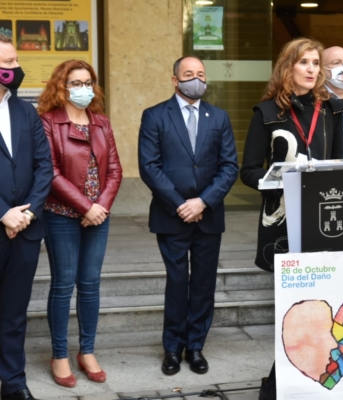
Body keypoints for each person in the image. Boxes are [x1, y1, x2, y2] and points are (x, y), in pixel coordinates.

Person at [240, 37, 343, 400]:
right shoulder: (266, 112)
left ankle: (286, 384)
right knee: (295, 309)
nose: (311, 69)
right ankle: (282, 384)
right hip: (282, 225)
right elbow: (248, 171)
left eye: (316, 63)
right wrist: (281, 177)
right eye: (304, 62)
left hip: (325, 222)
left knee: (318, 306)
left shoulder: (331, 110)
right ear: (288, 67)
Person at [138, 56, 238, 376]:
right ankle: (172, 347)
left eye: (201, 74)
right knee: (178, 282)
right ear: (175, 79)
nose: (196, 79)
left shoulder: (218, 117)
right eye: (189, 74)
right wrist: (182, 204)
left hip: (208, 216)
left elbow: (228, 166)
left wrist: (203, 202)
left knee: (204, 283)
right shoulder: (155, 116)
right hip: (172, 215)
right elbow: (149, 166)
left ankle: (195, 346)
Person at [37, 60, 122, 387]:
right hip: (61, 214)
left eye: (87, 82)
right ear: (62, 86)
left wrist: (100, 206)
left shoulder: (101, 122)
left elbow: (115, 169)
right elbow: (51, 171)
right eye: (75, 82)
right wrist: (86, 206)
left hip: (98, 215)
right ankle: (60, 355)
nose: (83, 88)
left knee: (90, 284)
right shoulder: (48, 122)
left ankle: (86, 351)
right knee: (63, 285)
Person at [0, 34, 52, 400]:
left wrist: (27, 212)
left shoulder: (26, 110)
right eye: (8, 63)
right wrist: (3, 213)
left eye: (16, 61)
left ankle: (13, 383)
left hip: (26, 229)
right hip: (3, 221)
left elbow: (44, 167)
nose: (16, 69)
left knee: (15, 313)